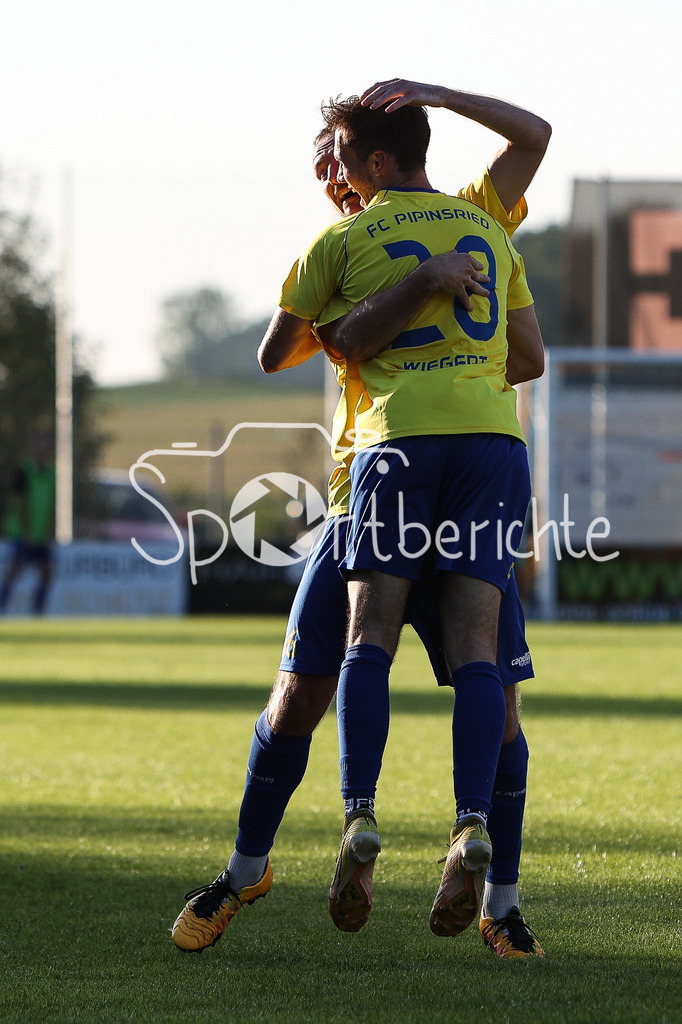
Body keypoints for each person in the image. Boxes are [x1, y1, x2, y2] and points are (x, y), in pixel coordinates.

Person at [171, 81, 549, 959]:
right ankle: (244, 871)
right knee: (302, 693)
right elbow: (295, 347)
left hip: (403, 466)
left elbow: (302, 347)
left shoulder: (460, 216)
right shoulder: (389, 238)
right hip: (380, 492)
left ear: (377, 160)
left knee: (485, 707)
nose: (329, 171)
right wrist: (392, 301)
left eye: (339, 155)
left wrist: (375, 310)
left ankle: (500, 900)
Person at [0, 432, 56, 615]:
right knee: (14, 571)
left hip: (40, 533)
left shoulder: (50, 472)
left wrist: (49, 531)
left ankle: (37, 612)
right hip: (22, 533)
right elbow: (19, 502)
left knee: (47, 572)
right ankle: (2, 607)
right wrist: (26, 531)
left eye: (44, 445)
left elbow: (50, 503)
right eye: (38, 445)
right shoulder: (24, 470)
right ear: (32, 448)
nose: (42, 449)